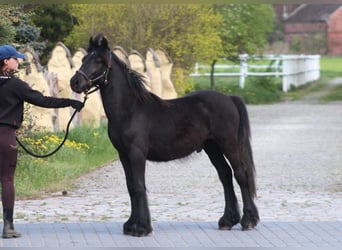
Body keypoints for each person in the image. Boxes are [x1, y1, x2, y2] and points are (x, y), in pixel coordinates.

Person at [0, 45, 83, 238]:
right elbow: (43, 101)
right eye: (15, 58)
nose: (18, 61)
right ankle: (8, 227)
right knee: (6, 180)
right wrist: (70, 102)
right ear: (6, 61)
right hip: (5, 137)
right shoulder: (16, 85)